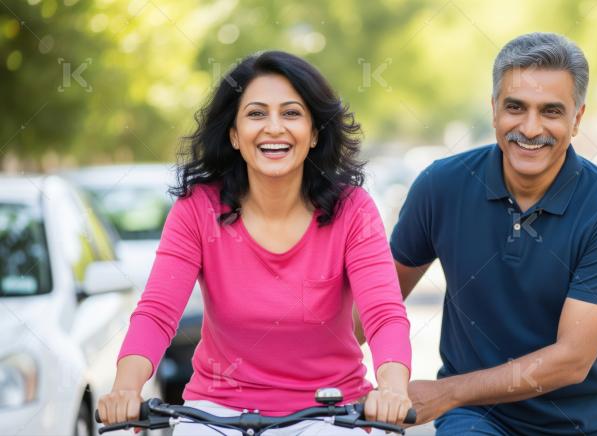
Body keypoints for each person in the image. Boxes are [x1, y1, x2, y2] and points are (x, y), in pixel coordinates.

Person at [97, 50, 413, 435]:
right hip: (215, 415)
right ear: (234, 133)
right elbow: (158, 312)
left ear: (315, 133)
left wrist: (393, 391)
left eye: (292, 113)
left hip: (329, 414)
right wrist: (125, 389)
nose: (274, 127)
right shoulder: (197, 208)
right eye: (256, 113)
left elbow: (383, 314)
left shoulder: (353, 210)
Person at [361, 32, 597, 435]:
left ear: (577, 119)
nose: (530, 128)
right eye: (515, 107)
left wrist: (448, 392)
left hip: (586, 424)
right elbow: (374, 307)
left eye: (551, 111)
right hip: (478, 419)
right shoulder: (441, 187)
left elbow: (572, 359)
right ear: (494, 110)